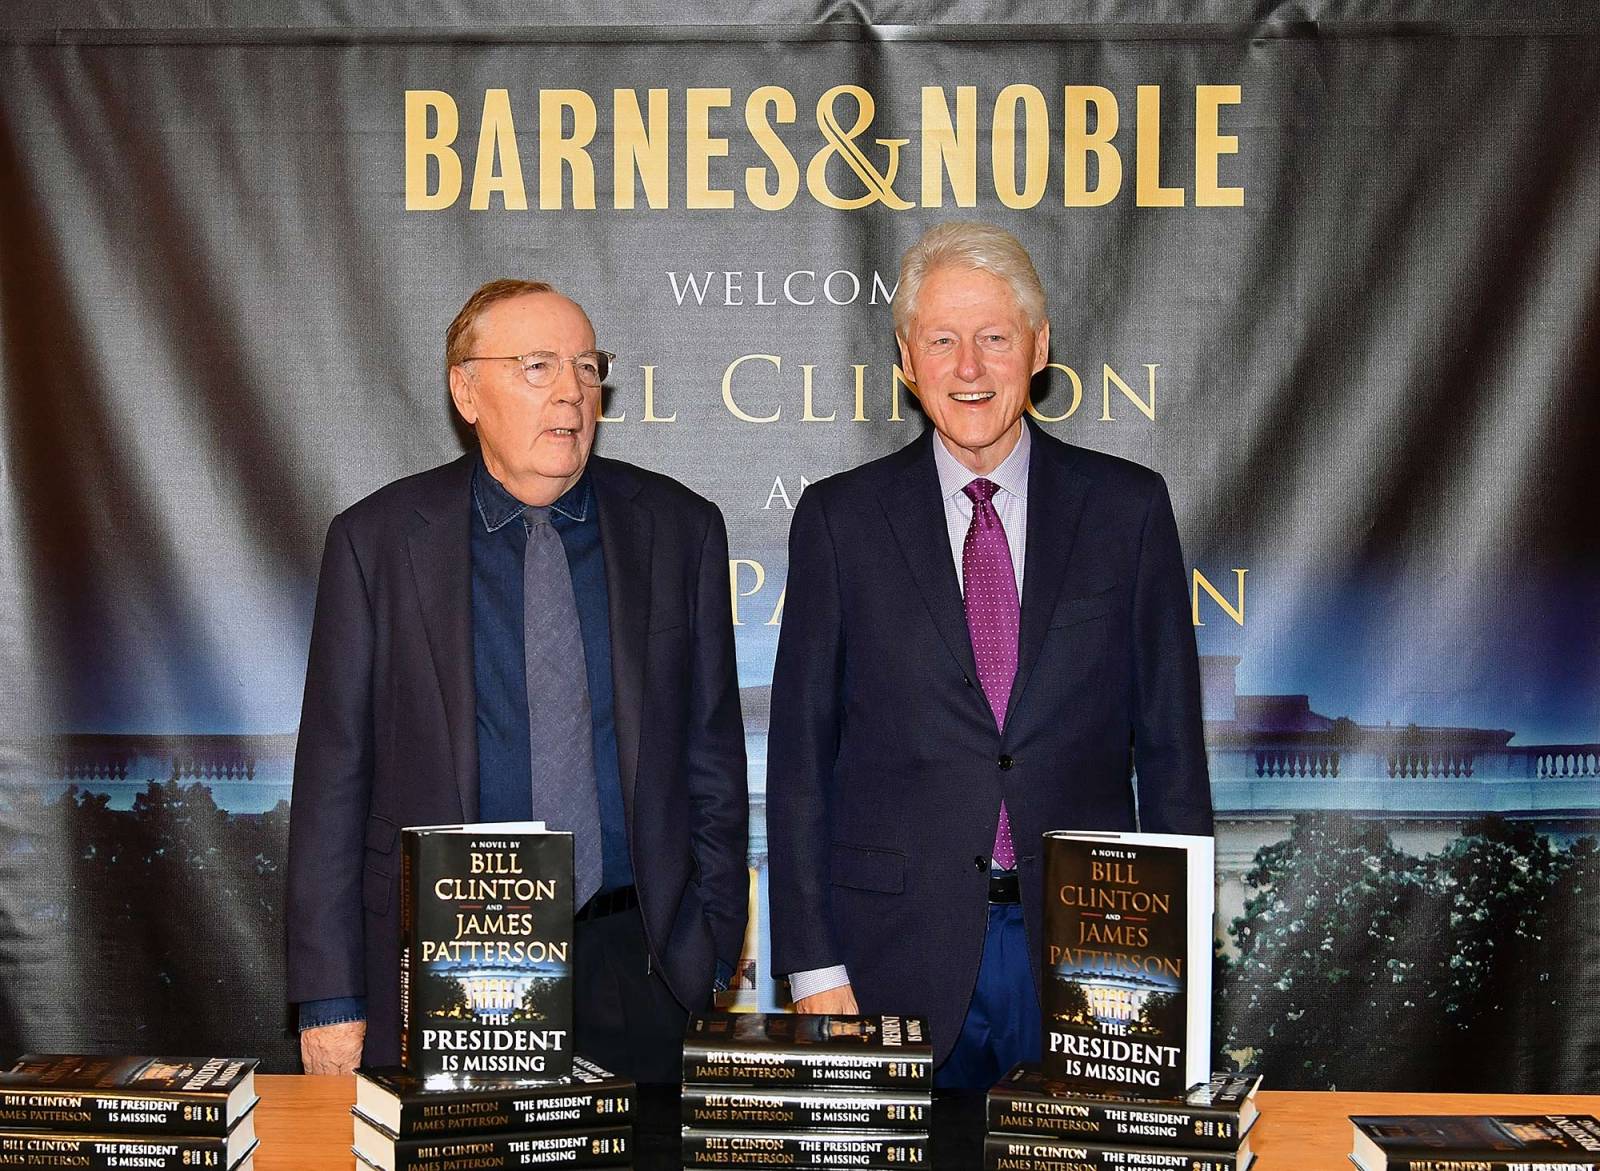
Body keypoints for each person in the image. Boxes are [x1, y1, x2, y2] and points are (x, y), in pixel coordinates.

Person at [766, 222, 1212, 1090]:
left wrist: (1174, 961)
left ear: (1039, 348)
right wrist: (813, 967)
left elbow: (1171, 756)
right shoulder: (839, 520)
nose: (969, 367)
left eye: (995, 338)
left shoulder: (1129, 510)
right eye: (942, 340)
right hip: (889, 956)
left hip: (1094, 953)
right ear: (906, 357)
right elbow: (799, 763)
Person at [286, 279, 748, 1082]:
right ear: (467, 391)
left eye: (586, 366)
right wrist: (330, 997)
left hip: (640, 966)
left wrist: (707, 950)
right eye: (538, 366)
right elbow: (333, 782)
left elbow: (713, 760)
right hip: (449, 967)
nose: (571, 390)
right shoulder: (378, 542)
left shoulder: (679, 529)